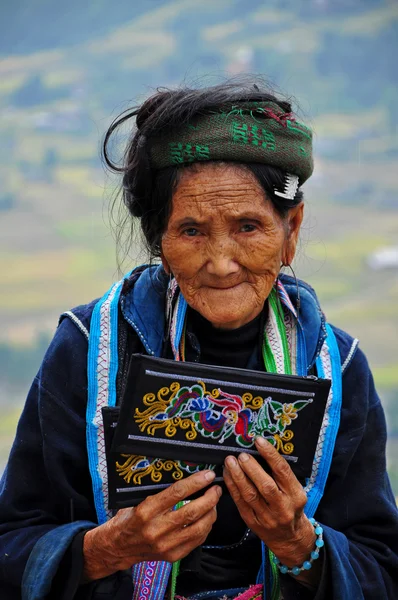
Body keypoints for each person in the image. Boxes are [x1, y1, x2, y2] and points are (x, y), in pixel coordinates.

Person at [0, 80, 397, 600]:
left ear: (291, 230)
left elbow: (384, 570)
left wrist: (301, 544)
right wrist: (106, 549)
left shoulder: (336, 367)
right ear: (159, 241)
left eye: (249, 226)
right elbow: (11, 545)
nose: (221, 261)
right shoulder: (86, 350)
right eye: (191, 231)